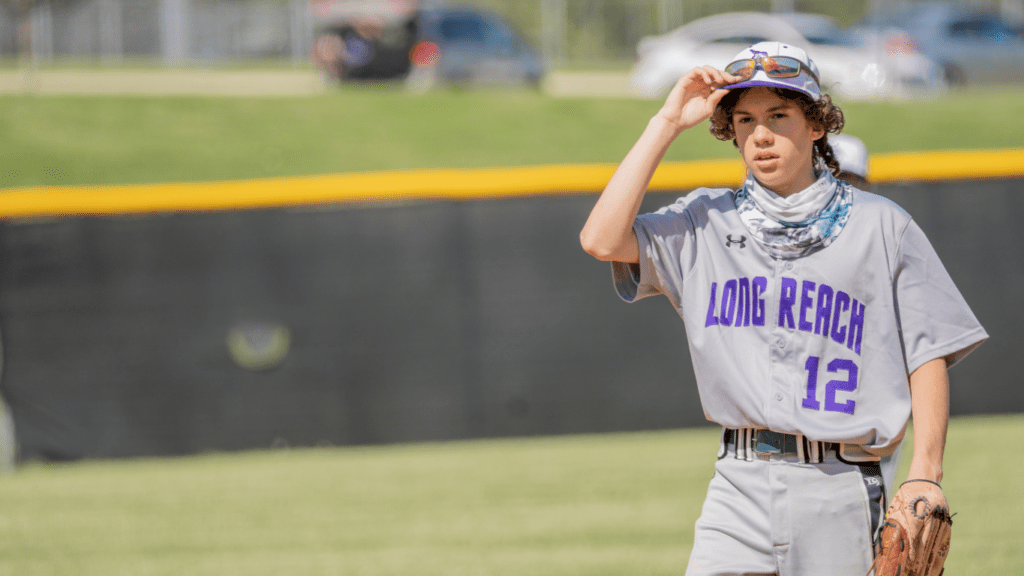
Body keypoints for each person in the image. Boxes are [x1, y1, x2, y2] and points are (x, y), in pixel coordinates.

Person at [579, 42, 987, 575]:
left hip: (839, 487)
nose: (760, 135)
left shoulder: (883, 226)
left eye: (779, 115)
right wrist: (666, 122)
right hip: (737, 484)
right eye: (744, 119)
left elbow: (926, 353)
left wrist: (925, 472)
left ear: (817, 123)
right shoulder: (705, 222)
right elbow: (602, 240)